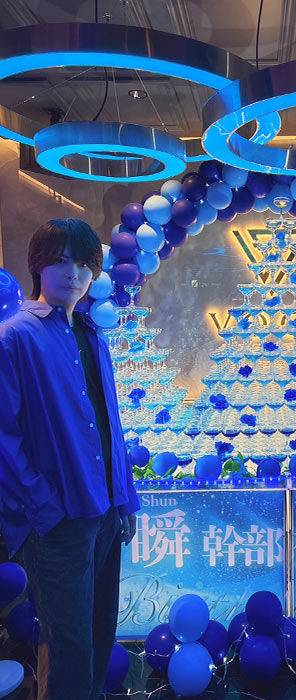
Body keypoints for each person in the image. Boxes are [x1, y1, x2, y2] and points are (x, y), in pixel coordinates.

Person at [0, 218, 140, 700]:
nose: (73, 273)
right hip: (58, 522)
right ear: (38, 265)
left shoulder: (90, 333)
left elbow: (110, 423)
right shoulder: (14, 337)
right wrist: (44, 510)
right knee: (69, 649)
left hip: (104, 513)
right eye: (61, 261)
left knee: (99, 637)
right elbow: (4, 440)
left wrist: (125, 499)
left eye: (83, 263)